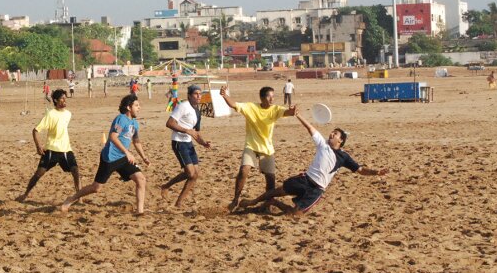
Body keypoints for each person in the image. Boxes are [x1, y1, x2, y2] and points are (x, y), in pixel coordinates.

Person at [238, 109, 388, 215]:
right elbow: (309, 128)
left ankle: (273, 203)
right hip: (305, 179)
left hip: (317, 190)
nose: (331, 134)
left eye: (335, 134)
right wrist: (298, 115)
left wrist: (376, 172)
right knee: (277, 191)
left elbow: (360, 170)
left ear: (340, 140)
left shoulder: (344, 157)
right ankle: (253, 201)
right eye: (332, 132)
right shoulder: (322, 143)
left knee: (295, 214)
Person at [61, 94, 150, 215]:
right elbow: (113, 137)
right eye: (136, 105)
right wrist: (127, 152)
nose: (139, 108)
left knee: (141, 179)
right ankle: (71, 199)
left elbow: (136, 141)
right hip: (110, 157)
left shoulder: (135, 123)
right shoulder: (121, 119)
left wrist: (144, 157)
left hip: (123, 158)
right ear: (129, 107)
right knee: (96, 188)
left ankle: (140, 212)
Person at [220, 85, 296, 212]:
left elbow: (287, 112)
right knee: (244, 170)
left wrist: (293, 111)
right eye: (268, 96)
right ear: (261, 98)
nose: (272, 99)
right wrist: (224, 95)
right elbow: (233, 104)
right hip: (251, 145)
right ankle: (236, 199)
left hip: (267, 149)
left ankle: (268, 204)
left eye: (273, 96)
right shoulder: (251, 107)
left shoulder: (275, 109)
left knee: (271, 178)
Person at [16, 89, 80, 202]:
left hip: (66, 149)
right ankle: (25, 195)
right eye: (62, 98)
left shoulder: (68, 114)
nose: (65, 100)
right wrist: (38, 146)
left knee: (75, 171)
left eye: (66, 98)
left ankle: (79, 198)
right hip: (51, 150)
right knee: (38, 174)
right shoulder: (50, 114)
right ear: (55, 100)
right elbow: (35, 130)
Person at [160, 85, 211, 208]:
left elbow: (195, 132)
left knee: (195, 175)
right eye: (196, 94)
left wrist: (203, 143)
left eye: (200, 94)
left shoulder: (197, 111)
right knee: (190, 173)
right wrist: (186, 130)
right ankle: (166, 186)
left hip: (188, 143)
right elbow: (169, 123)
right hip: (178, 142)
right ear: (189, 95)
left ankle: (179, 202)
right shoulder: (183, 106)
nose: (199, 96)